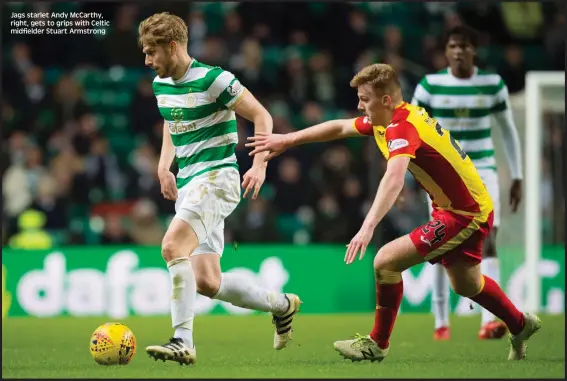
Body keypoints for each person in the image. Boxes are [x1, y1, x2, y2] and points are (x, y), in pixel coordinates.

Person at [247, 63, 540, 362]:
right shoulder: (387, 120)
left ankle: (377, 344)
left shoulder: (403, 126)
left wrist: (368, 225)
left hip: (466, 213)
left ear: (386, 100)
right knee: (467, 284)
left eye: (365, 99)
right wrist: (288, 139)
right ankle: (520, 323)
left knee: (385, 262)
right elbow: (340, 126)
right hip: (460, 207)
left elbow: (394, 177)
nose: (359, 105)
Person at [138, 13, 301, 365]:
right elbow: (171, 120)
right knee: (207, 282)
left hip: (217, 178)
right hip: (189, 184)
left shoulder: (214, 79)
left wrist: (259, 164)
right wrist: (164, 165)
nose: (148, 61)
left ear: (173, 46)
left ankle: (182, 341)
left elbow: (262, 116)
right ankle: (282, 305)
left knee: (171, 246)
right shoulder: (160, 84)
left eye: (152, 52)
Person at [411, 26, 523, 341]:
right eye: (453, 46)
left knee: (489, 238)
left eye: (464, 46)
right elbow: (411, 128)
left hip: (483, 170)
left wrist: (517, 175)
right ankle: (441, 323)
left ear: (474, 50)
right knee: (439, 242)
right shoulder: (430, 85)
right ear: (446, 51)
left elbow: (508, 130)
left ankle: (490, 321)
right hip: (445, 174)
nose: (458, 51)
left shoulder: (492, 84)